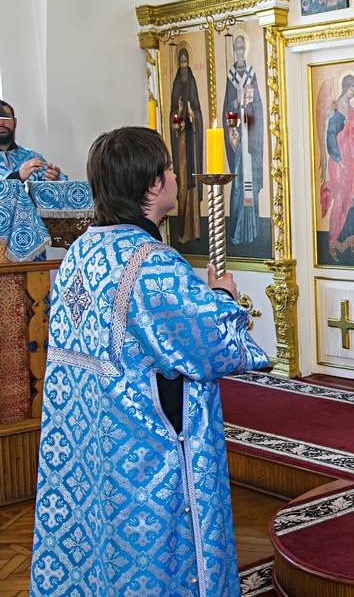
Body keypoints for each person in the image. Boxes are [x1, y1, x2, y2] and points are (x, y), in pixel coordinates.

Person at [29, 126, 269, 596]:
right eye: (170, 169)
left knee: (101, 552)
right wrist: (222, 297)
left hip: (93, 441)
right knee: (155, 562)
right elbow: (212, 346)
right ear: (154, 185)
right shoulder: (151, 262)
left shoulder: (81, 251)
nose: (176, 177)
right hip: (144, 450)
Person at [224, 32, 266, 245]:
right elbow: (227, 106)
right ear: (234, 51)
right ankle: (237, 231)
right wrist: (235, 103)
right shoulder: (231, 75)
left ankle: (251, 232)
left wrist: (250, 103)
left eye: (242, 48)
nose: (240, 52)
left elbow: (258, 103)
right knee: (239, 182)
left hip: (250, 133)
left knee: (250, 180)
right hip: (238, 136)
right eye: (237, 48)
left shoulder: (251, 73)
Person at [319, 73, 354, 261]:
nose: (351, 93)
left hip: (350, 164)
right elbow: (331, 137)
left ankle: (352, 244)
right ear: (344, 88)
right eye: (350, 90)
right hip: (339, 164)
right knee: (339, 201)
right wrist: (339, 160)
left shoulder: (351, 112)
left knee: (351, 201)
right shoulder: (335, 111)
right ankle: (333, 243)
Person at [168, 47, 204, 243]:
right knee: (182, 184)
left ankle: (196, 231)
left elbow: (197, 109)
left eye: (185, 61)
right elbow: (173, 113)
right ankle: (183, 233)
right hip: (181, 140)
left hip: (192, 141)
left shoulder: (192, 80)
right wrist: (180, 112)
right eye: (180, 61)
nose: (183, 64)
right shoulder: (176, 83)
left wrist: (192, 115)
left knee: (193, 184)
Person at [0, 100, 65, 181]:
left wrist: (54, 180)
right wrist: (17, 176)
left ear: (15, 122)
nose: (1, 122)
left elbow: (62, 182)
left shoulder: (32, 156)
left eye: (6, 117)